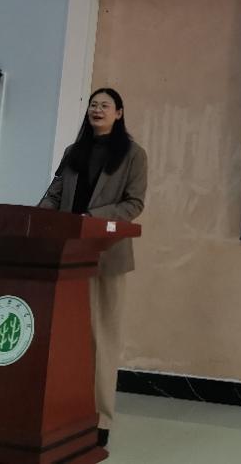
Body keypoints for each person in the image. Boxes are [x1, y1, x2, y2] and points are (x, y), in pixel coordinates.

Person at [39, 87, 147, 448]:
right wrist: (35, 221)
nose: (97, 109)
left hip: (106, 256)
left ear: (119, 113)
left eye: (105, 105)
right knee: (66, 336)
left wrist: (91, 219)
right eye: (93, 105)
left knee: (102, 338)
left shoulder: (133, 155)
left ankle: (101, 418)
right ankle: (65, 411)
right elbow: (54, 194)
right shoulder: (74, 152)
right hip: (67, 256)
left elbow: (133, 204)